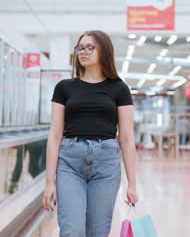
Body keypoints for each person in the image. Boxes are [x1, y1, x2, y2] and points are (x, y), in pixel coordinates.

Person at [42, 30, 138, 237]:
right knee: (71, 231)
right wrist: (50, 182)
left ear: (104, 51)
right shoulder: (64, 87)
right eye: (80, 48)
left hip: (106, 164)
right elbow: (55, 135)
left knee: (97, 232)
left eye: (89, 47)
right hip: (69, 162)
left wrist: (132, 184)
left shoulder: (120, 89)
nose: (83, 52)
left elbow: (127, 139)